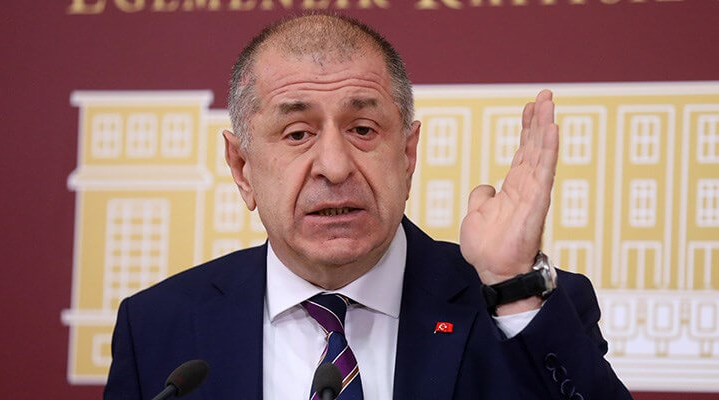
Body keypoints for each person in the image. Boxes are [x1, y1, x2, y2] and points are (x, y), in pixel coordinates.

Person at [104, 14, 632, 400]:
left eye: (362, 129)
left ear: (407, 155)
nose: (335, 167)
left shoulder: (519, 305)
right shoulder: (158, 328)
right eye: (297, 133)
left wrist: (513, 286)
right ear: (242, 169)